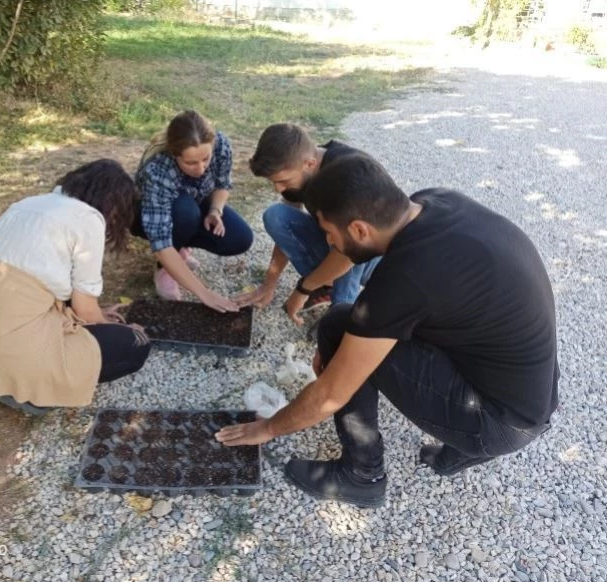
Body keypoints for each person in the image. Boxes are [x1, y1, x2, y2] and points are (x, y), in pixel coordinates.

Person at [216, 154, 559, 508]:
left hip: (500, 420)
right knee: (374, 330)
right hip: (535, 395)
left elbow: (330, 395)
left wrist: (267, 428)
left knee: (337, 325)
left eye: (331, 236)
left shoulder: (403, 281)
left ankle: (362, 476)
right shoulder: (434, 201)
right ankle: (458, 451)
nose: (331, 246)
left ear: (360, 229)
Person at [0, 160, 152, 416]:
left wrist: (99, 313)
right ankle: (35, 392)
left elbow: (38, 283)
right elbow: (86, 311)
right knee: (136, 346)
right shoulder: (88, 218)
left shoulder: (25, 205)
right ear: (114, 206)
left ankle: (11, 378)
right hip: (16, 354)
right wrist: (117, 326)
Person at [237, 123, 382, 325]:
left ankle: (341, 319)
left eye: (284, 181)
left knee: (347, 245)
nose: (278, 189)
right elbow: (287, 230)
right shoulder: (299, 165)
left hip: (377, 260)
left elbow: (350, 254)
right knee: (276, 216)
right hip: (342, 245)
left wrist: (303, 289)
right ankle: (326, 287)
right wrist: (269, 283)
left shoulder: (346, 181)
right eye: (274, 182)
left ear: (310, 164)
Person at [132, 110, 253, 312]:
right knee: (185, 213)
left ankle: (181, 245)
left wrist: (215, 210)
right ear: (174, 154)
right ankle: (166, 268)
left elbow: (223, 184)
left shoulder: (220, 144)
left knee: (240, 238)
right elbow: (160, 241)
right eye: (191, 163)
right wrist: (205, 294)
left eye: (206, 159)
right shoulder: (158, 169)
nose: (201, 169)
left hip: (194, 205)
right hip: (151, 216)